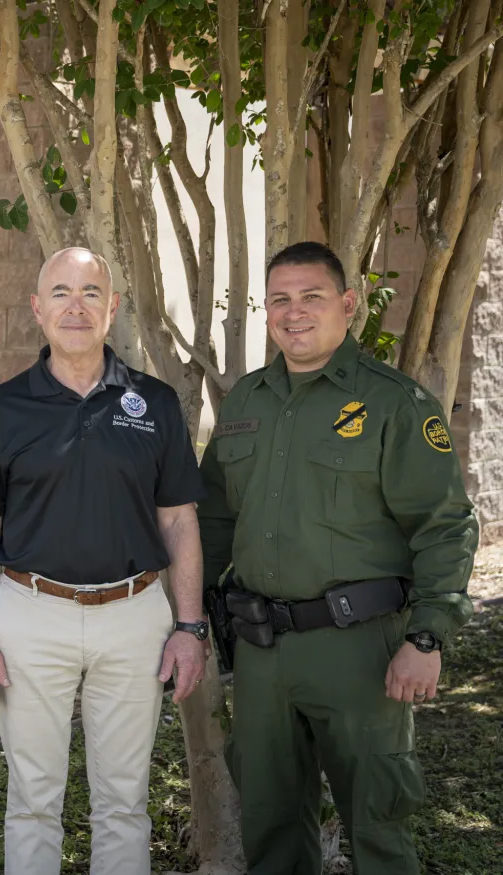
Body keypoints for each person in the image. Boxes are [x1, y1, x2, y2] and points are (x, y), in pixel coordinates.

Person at [197, 241, 477, 874]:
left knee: (378, 828)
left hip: (360, 651)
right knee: (269, 829)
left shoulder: (393, 405)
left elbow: (445, 527)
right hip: (261, 651)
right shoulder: (244, 403)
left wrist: (428, 638)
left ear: (348, 305)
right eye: (280, 300)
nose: (294, 312)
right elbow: (214, 523)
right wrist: (200, 621)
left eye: (312, 297)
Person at [0, 247, 209, 874]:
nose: (76, 306)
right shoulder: (1, 410)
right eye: (61, 293)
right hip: (30, 615)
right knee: (33, 801)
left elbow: (179, 520)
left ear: (112, 308)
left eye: (91, 293)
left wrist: (189, 626)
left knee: (125, 803)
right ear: (38, 310)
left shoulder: (152, 403)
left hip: (135, 616)